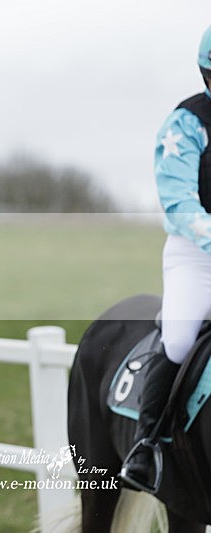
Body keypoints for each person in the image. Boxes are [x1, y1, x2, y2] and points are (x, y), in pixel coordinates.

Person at [119, 25, 211, 492]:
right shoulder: (187, 124)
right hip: (195, 257)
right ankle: (146, 445)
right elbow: (179, 203)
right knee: (177, 340)